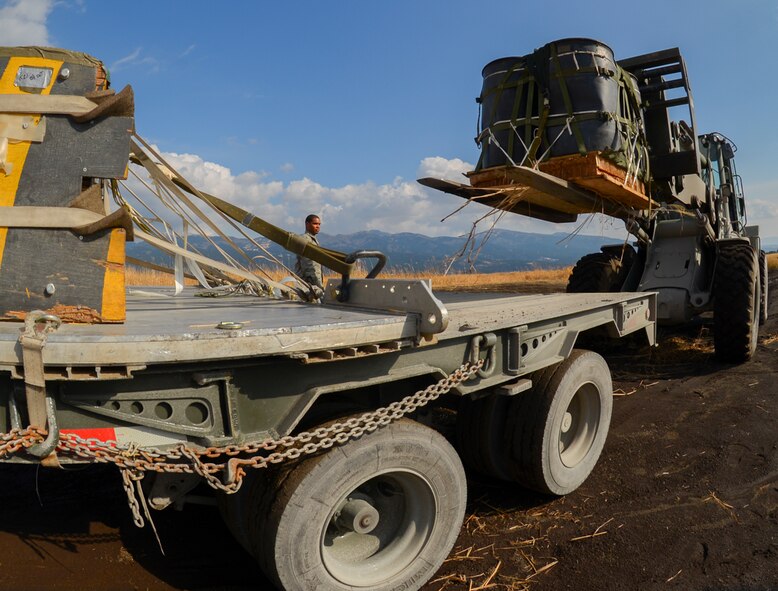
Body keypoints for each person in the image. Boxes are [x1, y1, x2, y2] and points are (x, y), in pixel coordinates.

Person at [295, 214, 324, 291]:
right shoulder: (306, 239)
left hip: (312, 283)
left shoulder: (313, 240)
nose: (318, 226)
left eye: (319, 224)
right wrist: (317, 285)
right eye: (315, 224)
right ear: (307, 224)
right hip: (309, 284)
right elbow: (309, 265)